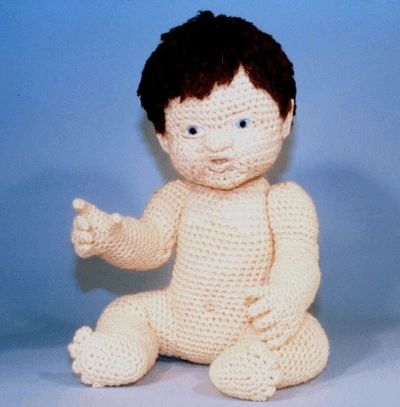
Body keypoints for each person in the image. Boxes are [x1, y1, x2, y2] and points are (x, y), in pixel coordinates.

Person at [69, 11, 329, 401]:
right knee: (126, 310)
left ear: (284, 117)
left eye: (242, 124)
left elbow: (298, 259)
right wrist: (112, 235)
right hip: (180, 319)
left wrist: (285, 298)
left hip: (254, 325)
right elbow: (151, 245)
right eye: (192, 130)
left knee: (308, 337)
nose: (217, 146)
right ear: (164, 137)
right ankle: (122, 351)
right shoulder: (176, 196)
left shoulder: (284, 201)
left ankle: (252, 363)